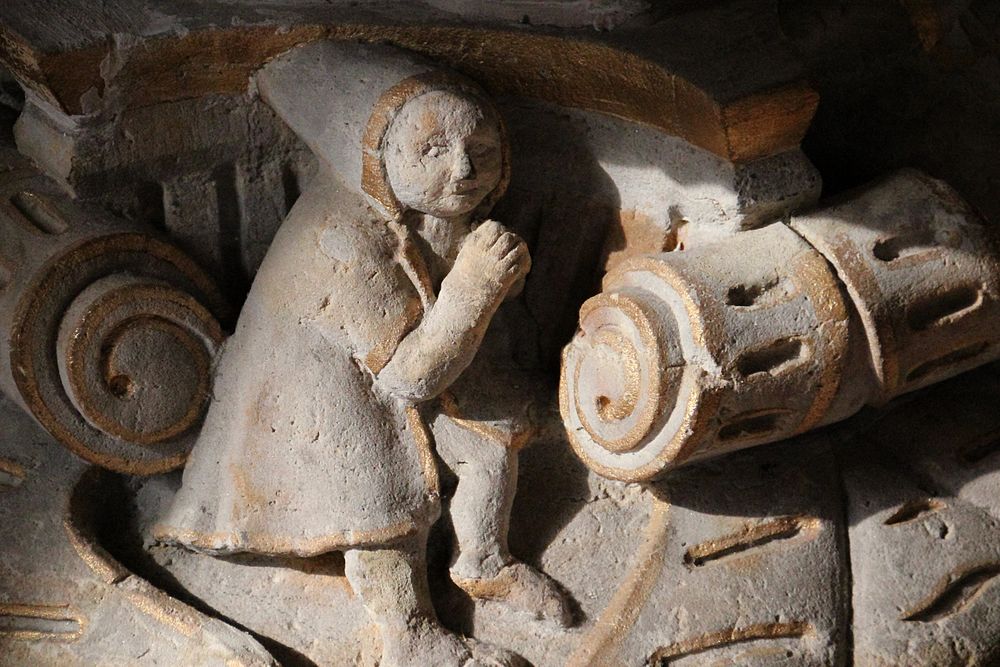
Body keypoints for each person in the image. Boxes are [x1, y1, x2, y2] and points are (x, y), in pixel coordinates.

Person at [155, 41, 566, 667]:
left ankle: (483, 561)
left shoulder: (422, 213)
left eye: (480, 152)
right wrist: (477, 288)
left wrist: (486, 287)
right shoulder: (342, 240)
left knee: (486, 443)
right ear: (381, 155)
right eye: (433, 149)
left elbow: (441, 328)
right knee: (385, 506)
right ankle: (409, 637)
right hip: (313, 406)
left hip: (392, 372)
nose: (463, 170)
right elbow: (408, 377)